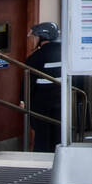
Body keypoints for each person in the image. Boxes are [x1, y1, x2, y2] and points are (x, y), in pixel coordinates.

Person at [25, 22, 63, 153]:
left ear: (42, 37)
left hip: (41, 106)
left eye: (34, 37)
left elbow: (27, 83)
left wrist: (23, 100)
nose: (32, 40)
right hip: (62, 102)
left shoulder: (35, 58)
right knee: (59, 136)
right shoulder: (65, 53)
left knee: (42, 139)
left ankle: (40, 162)